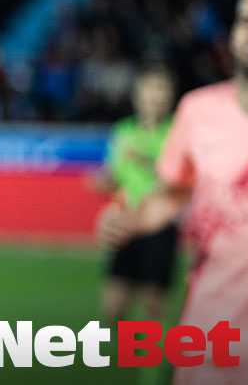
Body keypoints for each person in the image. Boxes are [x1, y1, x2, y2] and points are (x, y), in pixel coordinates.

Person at [99, 0, 248, 383]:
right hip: (212, 326)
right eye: (246, 20)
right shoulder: (197, 111)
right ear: (230, 34)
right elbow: (174, 194)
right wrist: (130, 219)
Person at [95, 67, 178, 324]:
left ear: (169, 98)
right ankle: (133, 353)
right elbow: (114, 173)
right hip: (126, 222)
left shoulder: (175, 132)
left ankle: (150, 359)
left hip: (159, 225)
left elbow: (177, 176)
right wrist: (104, 180)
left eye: (159, 91)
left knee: (153, 305)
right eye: (148, 91)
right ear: (137, 96)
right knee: (113, 310)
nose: (153, 98)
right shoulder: (123, 131)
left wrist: (143, 159)